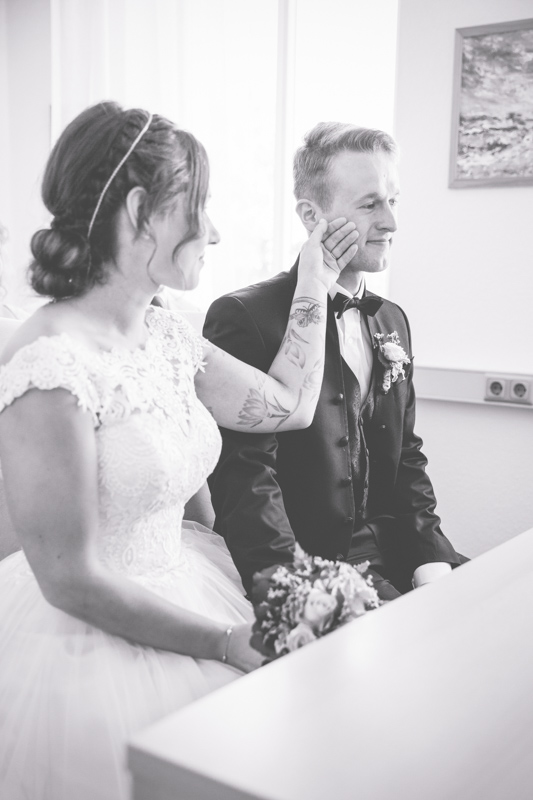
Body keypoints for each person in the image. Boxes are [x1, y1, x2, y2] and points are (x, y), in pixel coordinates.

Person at [0, 103, 358, 800]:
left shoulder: (166, 334)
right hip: (84, 647)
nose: (215, 231)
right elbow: (70, 578)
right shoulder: (50, 366)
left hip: (189, 581)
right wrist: (223, 641)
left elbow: (289, 404)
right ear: (143, 211)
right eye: (201, 207)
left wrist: (313, 274)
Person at [204, 121, 466, 601]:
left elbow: (406, 456)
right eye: (370, 205)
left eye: (393, 201)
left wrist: (432, 556)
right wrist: (301, 594)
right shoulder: (244, 317)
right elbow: (245, 481)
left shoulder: (392, 319)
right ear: (311, 214)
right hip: (310, 568)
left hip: (395, 552)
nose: (390, 223)